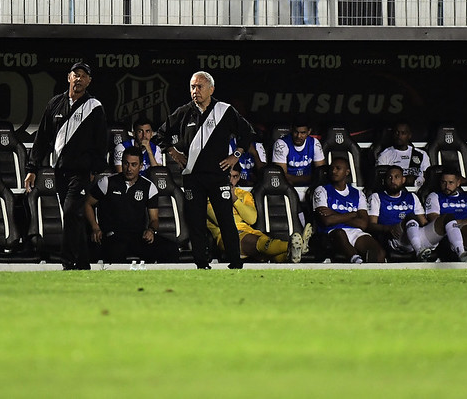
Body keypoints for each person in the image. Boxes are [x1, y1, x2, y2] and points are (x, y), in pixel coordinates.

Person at [154, 71, 255, 269]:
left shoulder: (224, 110)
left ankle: (235, 263)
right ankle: (201, 264)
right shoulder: (183, 112)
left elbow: (247, 132)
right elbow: (160, 134)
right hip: (192, 177)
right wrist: (174, 153)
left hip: (218, 176)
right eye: (192, 87)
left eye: (199, 87)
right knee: (196, 222)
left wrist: (236, 155)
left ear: (211, 89)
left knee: (226, 219)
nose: (195, 91)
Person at [25, 61, 108, 270]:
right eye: (75, 75)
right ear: (68, 78)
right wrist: (32, 169)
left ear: (89, 81)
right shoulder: (54, 104)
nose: (79, 79)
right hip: (59, 171)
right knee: (74, 217)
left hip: (81, 172)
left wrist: (95, 170)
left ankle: (68, 262)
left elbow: (101, 141)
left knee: (71, 212)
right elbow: (42, 138)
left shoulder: (94, 106)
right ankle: (83, 264)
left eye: (83, 75)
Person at [85, 146, 178, 263]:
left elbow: (154, 219)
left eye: (134, 165)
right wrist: (95, 227)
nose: (129, 168)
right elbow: (87, 204)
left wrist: (150, 230)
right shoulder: (107, 182)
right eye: (126, 164)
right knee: (116, 250)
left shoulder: (149, 187)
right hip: (112, 235)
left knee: (171, 249)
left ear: (141, 166)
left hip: (137, 236)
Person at [367, 165, 467, 261]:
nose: (393, 180)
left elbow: (424, 222)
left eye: (397, 177)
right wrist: (388, 229)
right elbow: (371, 225)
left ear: (403, 180)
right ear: (384, 180)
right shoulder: (377, 197)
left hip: (417, 235)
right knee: (410, 217)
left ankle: (461, 253)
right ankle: (419, 250)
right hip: (398, 238)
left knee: (447, 218)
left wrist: (437, 229)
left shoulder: (412, 197)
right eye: (389, 177)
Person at [206, 165, 309, 263]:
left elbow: (251, 219)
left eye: (235, 176)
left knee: (267, 249)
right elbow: (223, 220)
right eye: (228, 176)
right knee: (261, 243)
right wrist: (239, 208)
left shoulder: (244, 195)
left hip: (249, 232)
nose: (230, 181)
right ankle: (292, 245)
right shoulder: (210, 195)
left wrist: (234, 199)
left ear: (239, 178)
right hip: (226, 236)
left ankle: (290, 255)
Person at [313, 155, 385, 263]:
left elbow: (363, 224)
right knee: (340, 233)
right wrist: (352, 214)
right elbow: (327, 221)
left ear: (347, 172)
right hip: (331, 232)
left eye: (338, 168)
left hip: (355, 232)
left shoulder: (358, 194)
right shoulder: (322, 190)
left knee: (379, 252)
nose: (333, 171)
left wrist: (334, 213)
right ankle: (356, 260)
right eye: (332, 168)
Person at [272, 118, 326, 186]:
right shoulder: (281, 144)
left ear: (309, 132)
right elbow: (282, 175)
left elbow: (321, 171)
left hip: (310, 185)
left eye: (303, 133)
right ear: (291, 130)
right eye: (296, 132)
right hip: (289, 186)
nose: (298, 136)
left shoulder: (314, 143)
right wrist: (310, 178)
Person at [375, 121, 430, 188]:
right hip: (394, 191)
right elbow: (381, 179)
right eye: (397, 132)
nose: (399, 136)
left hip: (417, 191)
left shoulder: (421, 154)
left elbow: (427, 176)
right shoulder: (385, 155)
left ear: (409, 135)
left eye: (403, 133)